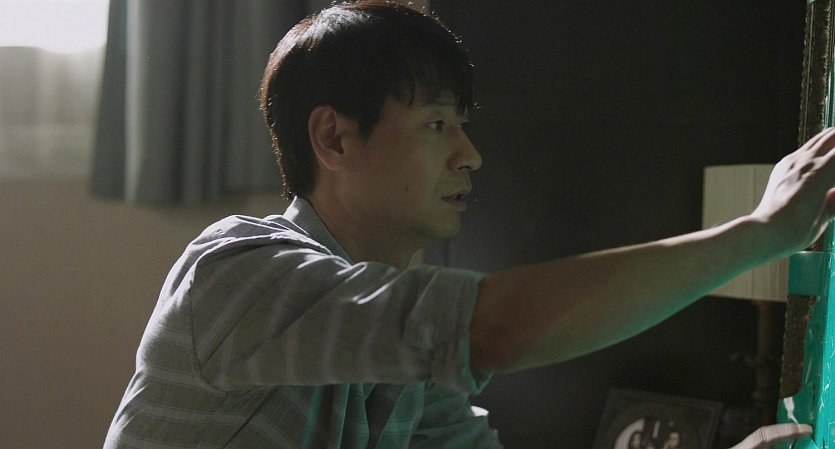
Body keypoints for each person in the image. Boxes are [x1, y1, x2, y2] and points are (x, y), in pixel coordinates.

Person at [103, 1, 830, 448]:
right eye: (436, 124)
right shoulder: (233, 272)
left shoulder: (406, 365)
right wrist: (762, 231)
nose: (469, 155)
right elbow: (495, 329)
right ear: (334, 137)